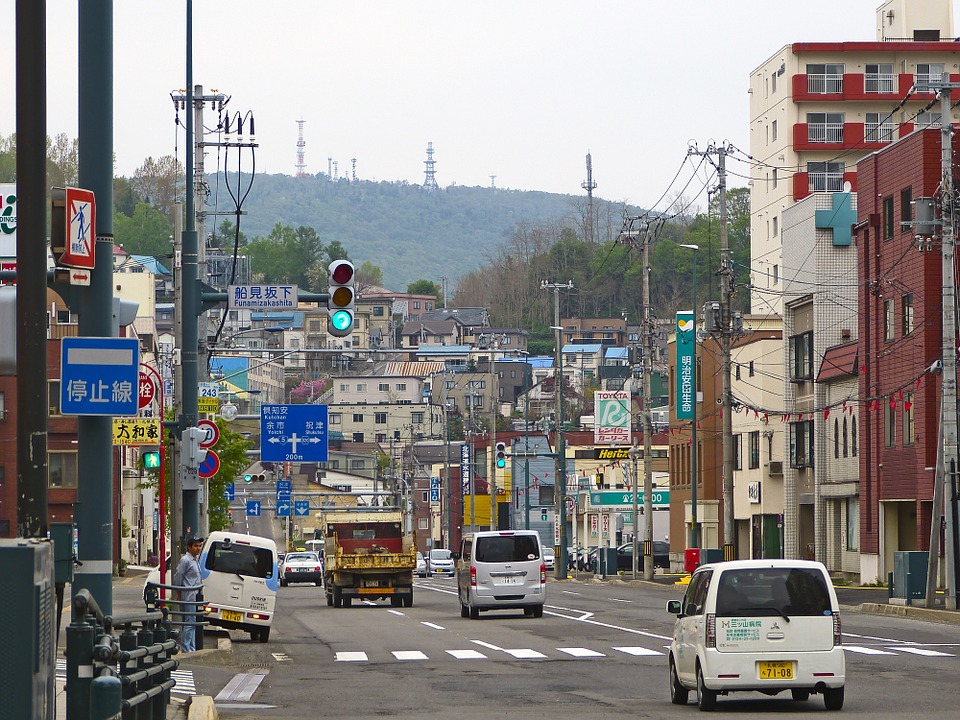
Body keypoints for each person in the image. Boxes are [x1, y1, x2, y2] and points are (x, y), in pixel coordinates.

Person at [173, 536, 204, 652]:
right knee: (190, 622)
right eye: (195, 546)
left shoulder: (194, 559)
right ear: (189, 547)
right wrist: (178, 592)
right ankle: (186, 648)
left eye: (199, 546)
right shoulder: (185, 560)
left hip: (195, 595)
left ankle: (191, 647)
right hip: (189, 594)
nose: (198, 548)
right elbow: (178, 576)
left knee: (193, 622)